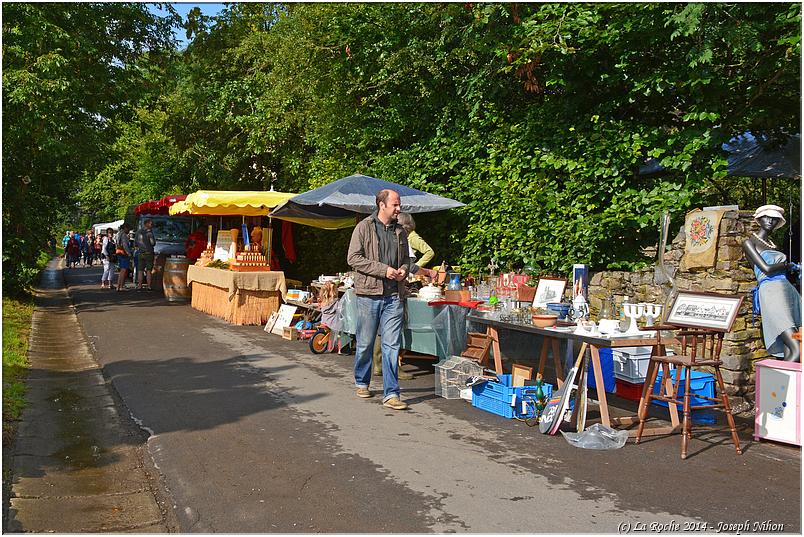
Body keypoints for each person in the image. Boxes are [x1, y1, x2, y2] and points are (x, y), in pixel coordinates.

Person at [346, 189, 437, 410]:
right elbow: (353, 258)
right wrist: (383, 270)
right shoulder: (364, 228)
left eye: (399, 205)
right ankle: (361, 381)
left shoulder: (400, 232)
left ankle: (391, 394)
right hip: (369, 295)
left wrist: (404, 270)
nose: (399, 209)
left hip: (394, 295)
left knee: (391, 345)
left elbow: (407, 259)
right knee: (366, 343)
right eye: (395, 205)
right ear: (382, 205)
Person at [742, 204, 801, 362]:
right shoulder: (749, 243)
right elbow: (766, 268)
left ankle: (789, 386)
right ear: (759, 219)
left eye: (775, 219)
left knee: (791, 345)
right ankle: (780, 385)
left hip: (787, 291)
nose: (771, 221)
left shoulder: (773, 244)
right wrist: (787, 265)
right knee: (796, 346)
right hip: (771, 292)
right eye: (767, 217)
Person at [135, 218, 156, 290]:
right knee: (149, 270)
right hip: (149, 253)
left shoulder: (138, 232)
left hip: (141, 253)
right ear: (146, 224)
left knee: (140, 270)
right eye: (151, 223)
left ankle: (139, 286)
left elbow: (135, 243)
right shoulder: (149, 233)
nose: (152, 225)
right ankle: (149, 286)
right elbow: (153, 243)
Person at [115, 223, 133, 291]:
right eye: (128, 229)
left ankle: (119, 286)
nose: (129, 230)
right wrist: (129, 253)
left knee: (121, 271)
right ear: (125, 228)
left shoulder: (118, 233)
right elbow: (125, 245)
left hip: (119, 253)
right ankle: (121, 286)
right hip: (124, 254)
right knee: (123, 270)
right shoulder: (124, 235)